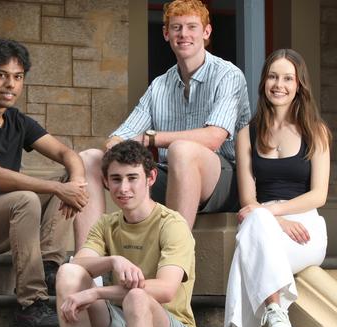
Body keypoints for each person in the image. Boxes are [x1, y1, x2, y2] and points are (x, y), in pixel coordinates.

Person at [74, 0, 251, 250]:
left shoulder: (228, 75)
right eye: (176, 28)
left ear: (207, 32)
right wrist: (115, 148)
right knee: (89, 159)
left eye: (192, 27)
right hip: (172, 174)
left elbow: (213, 138)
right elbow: (119, 136)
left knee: (182, 149)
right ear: (166, 33)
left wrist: (151, 139)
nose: (184, 34)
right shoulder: (160, 85)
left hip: (223, 179)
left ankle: (174, 256)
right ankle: (88, 264)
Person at [0, 38, 88, 327]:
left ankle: (50, 266)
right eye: (1, 75)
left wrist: (75, 182)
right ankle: (30, 305)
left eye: (18, 77)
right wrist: (55, 189)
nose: (10, 84)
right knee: (28, 197)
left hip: (11, 217)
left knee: (68, 184)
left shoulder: (17, 120)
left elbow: (67, 154)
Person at [222, 49, 332, 327]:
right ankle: (274, 307)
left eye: (287, 78)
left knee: (249, 245)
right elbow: (247, 199)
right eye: (273, 76)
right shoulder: (248, 132)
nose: (278, 84)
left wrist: (271, 214)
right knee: (253, 231)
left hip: (305, 227)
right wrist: (269, 218)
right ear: (264, 82)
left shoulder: (317, 131)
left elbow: (318, 195)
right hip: (265, 221)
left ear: (299, 85)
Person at [57, 140, 197, 327]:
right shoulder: (106, 224)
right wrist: (114, 260)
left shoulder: (172, 224)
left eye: (132, 178)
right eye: (116, 179)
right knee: (67, 273)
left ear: (150, 178)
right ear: (105, 181)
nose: (123, 188)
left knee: (137, 297)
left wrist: (96, 293)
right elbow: (80, 264)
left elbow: (166, 289)